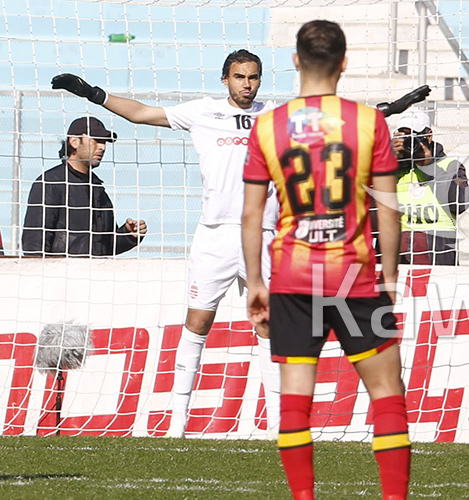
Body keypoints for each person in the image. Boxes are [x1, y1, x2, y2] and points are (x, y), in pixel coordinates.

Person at [51, 50, 282, 438]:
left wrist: (388, 111)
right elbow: (143, 113)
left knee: (269, 325)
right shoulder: (202, 112)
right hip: (215, 235)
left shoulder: (279, 114)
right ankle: (177, 423)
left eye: (253, 77)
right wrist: (94, 94)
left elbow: (338, 121)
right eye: (240, 77)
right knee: (197, 323)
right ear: (225, 79)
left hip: (263, 235)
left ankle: (278, 424)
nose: (247, 84)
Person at [242, 20, 409, 500]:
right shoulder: (368, 121)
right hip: (355, 278)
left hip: (292, 279)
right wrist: (391, 276)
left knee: (296, 403)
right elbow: (387, 207)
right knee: (386, 393)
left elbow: (253, 212)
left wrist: (256, 282)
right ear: (344, 62)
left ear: (295, 61)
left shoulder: (268, 126)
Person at [22, 116, 147, 257]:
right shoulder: (51, 183)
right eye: (96, 140)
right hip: (60, 277)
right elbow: (34, 244)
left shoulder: (98, 189)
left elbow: (104, 246)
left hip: (95, 276)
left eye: (104, 142)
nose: (102, 147)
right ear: (74, 141)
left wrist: (128, 235)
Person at [392, 110, 469, 265]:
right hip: (396, 245)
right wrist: (388, 158)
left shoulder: (450, 166)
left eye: (414, 136)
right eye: (404, 136)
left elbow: (459, 203)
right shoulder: (391, 167)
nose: (409, 142)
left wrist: (428, 166)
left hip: (437, 247)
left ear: (429, 136)